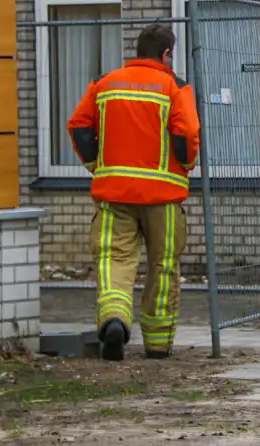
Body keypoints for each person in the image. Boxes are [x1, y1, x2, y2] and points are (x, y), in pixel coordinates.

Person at [67, 24, 201, 362]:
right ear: (167, 54)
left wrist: (96, 164)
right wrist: (185, 164)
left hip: (114, 195)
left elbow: (78, 125)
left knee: (114, 259)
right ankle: (157, 344)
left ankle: (115, 319)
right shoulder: (175, 87)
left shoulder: (104, 84)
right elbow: (187, 134)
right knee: (163, 265)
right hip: (164, 198)